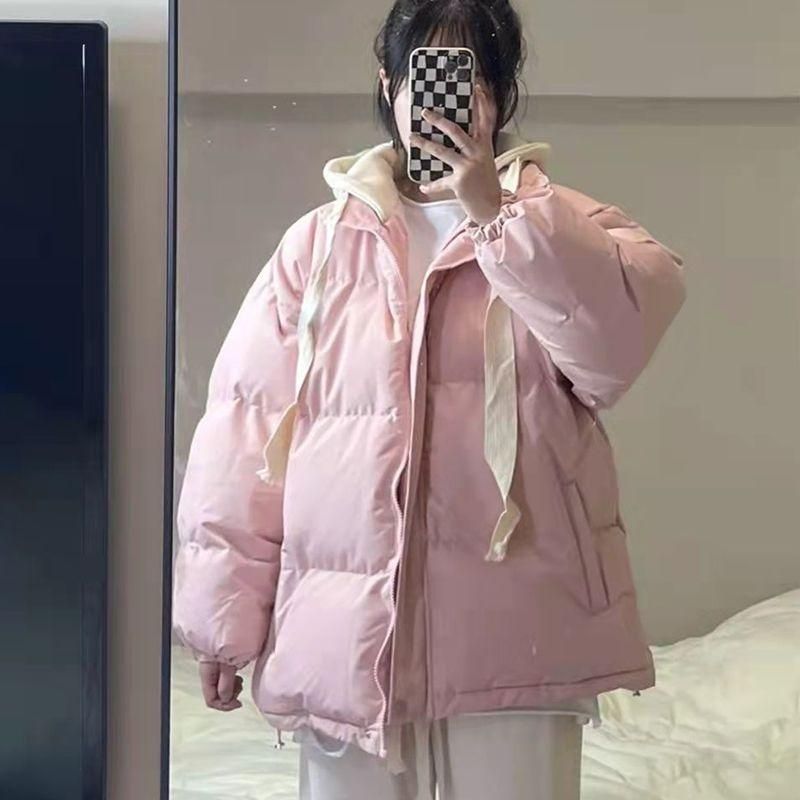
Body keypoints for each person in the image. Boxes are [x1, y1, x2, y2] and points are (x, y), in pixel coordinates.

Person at [171, 1, 687, 798]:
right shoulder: (318, 246)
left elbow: (611, 356)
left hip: (520, 628)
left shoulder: (567, 227)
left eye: (469, 72)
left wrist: (497, 215)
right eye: (425, 69)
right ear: (389, 81)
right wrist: (221, 619)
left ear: (498, 94)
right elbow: (244, 429)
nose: (443, 94)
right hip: (347, 637)